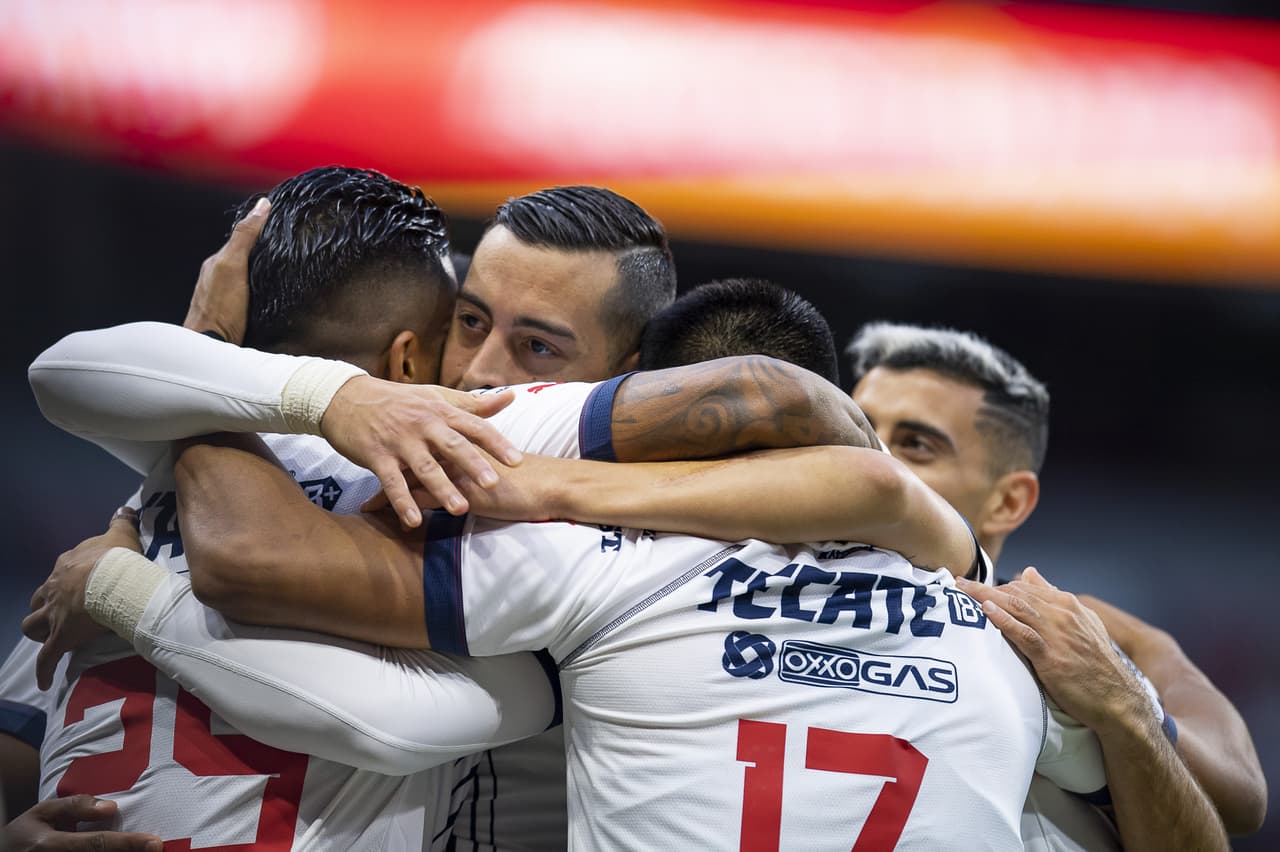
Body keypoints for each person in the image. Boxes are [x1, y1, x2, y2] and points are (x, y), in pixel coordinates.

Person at [7, 165, 558, 852]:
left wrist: (202, 346)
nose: (476, 369)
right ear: (408, 360)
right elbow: (439, 717)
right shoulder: (445, 491)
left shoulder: (154, 484)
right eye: (463, 330)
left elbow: (20, 732)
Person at [846, 322, 1266, 845]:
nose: (872, 461)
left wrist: (1130, 683)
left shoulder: (1048, 642)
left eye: (915, 444)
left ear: (1008, 502)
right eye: (860, 432)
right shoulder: (753, 573)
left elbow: (1243, 799)